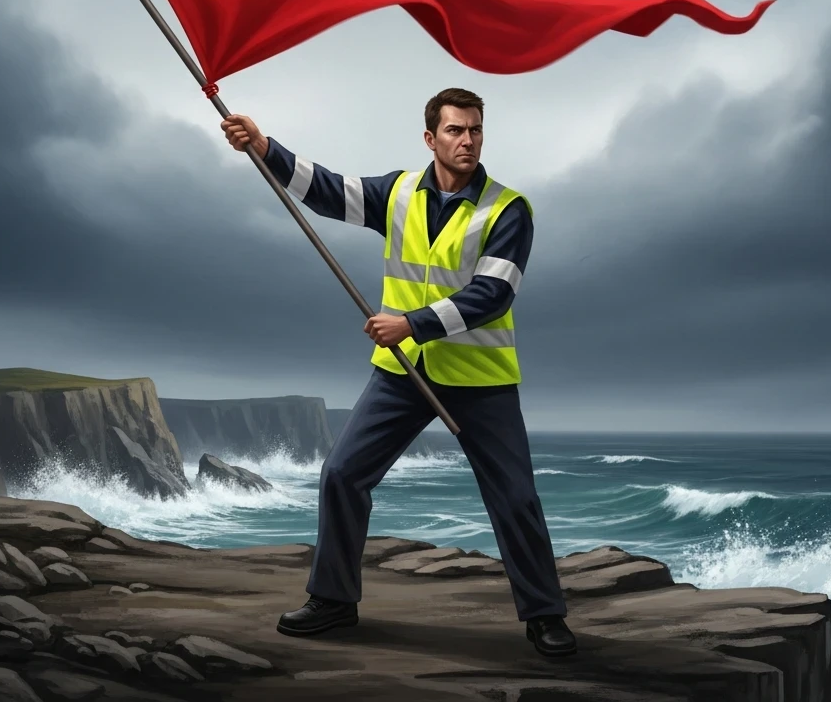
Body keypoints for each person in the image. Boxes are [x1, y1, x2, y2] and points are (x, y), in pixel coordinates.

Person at [220, 88, 575, 657]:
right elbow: (327, 191)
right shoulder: (399, 192)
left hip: (480, 378)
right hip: (403, 373)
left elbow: (494, 294)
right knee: (342, 474)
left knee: (514, 498)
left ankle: (545, 616)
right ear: (431, 138)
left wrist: (411, 323)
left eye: (476, 130)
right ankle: (333, 600)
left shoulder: (508, 209)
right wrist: (264, 147)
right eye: (455, 130)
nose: (468, 140)